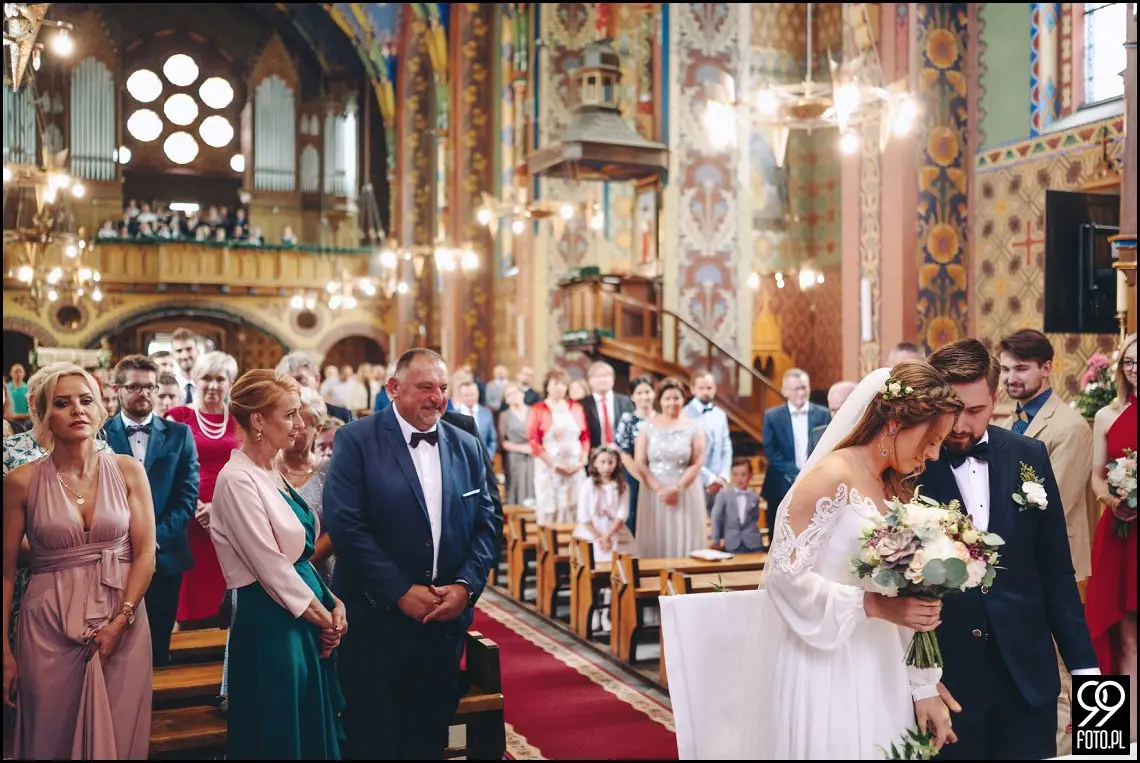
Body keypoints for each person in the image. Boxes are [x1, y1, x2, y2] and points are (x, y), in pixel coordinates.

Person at [661, 361, 963, 759]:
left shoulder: (895, 488)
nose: (934, 454)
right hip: (825, 659)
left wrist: (924, 686)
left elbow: (902, 591)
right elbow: (784, 578)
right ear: (895, 423)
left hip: (881, 660)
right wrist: (872, 604)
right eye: (931, 439)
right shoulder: (832, 475)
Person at [922, 339, 1099, 760]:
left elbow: (1056, 573)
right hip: (947, 687)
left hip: (1029, 681)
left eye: (975, 410)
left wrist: (1091, 682)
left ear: (995, 398)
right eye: (950, 410)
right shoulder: (913, 465)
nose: (960, 425)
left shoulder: (1029, 454)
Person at [324, 348, 500, 760]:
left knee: (427, 736)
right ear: (393, 388)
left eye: (442, 388)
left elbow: (487, 525)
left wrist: (465, 586)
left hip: (442, 626)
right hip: (375, 622)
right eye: (425, 387)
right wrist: (400, 591)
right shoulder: (357, 439)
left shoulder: (466, 444)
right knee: (371, 738)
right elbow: (347, 525)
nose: (437, 397)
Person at [3, 362, 156, 759]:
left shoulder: (128, 471)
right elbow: (4, 573)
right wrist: (3, 652)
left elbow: (145, 554)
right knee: (49, 735)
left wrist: (121, 620)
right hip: (46, 627)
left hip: (122, 621)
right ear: (42, 415)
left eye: (86, 400)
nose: (77, 410)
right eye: (63, 403)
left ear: (101, 408)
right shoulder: (20, 481)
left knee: (120, 735)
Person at [210, 370, 345, 759]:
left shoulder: (270, 472)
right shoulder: (236, 480)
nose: (300, 425)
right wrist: (326, 620)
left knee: (308, 726)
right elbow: (270, 567)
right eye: (289, 415)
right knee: (282, 731)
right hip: (273, 621)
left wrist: (334, 603)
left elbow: (299, 557)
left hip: (302, 613)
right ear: (257, 420)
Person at [997, 330, 1095, 755]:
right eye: (1004, 369)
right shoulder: (1006, 420)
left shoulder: (1069, 426)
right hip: (1019, 566)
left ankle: (1090, 750)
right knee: (1040, 668)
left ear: (1046, 368)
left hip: (1062, 565)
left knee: (1072, 666)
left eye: (1020, 368)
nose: (1010, 378)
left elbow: (1054, 502)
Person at [104, 355, 200, 667]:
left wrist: (152, 541)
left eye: (149, 387)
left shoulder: (179, 435)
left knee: (158, 646)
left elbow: (186, 496)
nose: (143, 393)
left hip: (166, 554)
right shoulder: (100, 436)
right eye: (134, 386)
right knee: (114, 646)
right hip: (113, 556)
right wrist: (124, 541)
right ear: (118, 389)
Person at [1085, 333, 1137, 744]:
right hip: (1118, 532)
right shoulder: (1106, 415)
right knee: (1120, 633)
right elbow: (1096, 476)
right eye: (1129, 362)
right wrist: (1112, 499)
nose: (1134, 369)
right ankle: (1113, 740)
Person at [165, 351, 240, 625]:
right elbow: (168, 472)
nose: (212, 385)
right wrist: (195, 505)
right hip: (191, 519)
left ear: (230, 383)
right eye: (206, 378)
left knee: (228, 596)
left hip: (232, 518)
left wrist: (218, 508)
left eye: (220, 378)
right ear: (195, 380)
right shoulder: (177, 417)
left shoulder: (240, 420)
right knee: (192, 598)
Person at [635, 377, 707, 558]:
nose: (672, 403)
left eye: (676, 398)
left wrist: (678, 488)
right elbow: (641, 463)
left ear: (683, 400)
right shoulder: (647, 426)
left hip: (685, 489)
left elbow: (697, 462)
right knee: (657, 536)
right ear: (660, 400)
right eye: (667, 398)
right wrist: (659, 489)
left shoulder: (694, 427)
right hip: (654, 490)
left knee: (685, 535)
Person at [761, 369, 831, 533]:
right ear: (785, 391)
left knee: (811, 531)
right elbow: (770, 450)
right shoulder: (772, 416)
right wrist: (795, 472)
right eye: (796, 389)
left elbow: (828, 446)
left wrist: (810, 472)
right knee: (777, 531)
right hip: (780, 483)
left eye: (804, 388)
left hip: (815, 482)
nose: (801, 392)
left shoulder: (824, 414)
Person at [528, 369, 589, 526]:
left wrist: (583, 459)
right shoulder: (538, 409)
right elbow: (534, 441)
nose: (560, 387)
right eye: (556, 383)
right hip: (549, 466)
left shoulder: (576, 407)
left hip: (575, 465)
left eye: (563, 384)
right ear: (547, 386)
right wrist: (555, 464)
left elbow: (584, 436)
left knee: (575, 507)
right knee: (551, 508)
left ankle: (574, 547)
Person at [573, 445, 635, 564]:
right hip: (592, 530)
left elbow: (622, 513)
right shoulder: (588, 485)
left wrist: (608, 535)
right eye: (603, 462)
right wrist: (599, 538)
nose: (607, 467)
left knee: (621, 561)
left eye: (611, 462)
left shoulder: (621, 485)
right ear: (595, 463)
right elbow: (584, 514)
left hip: (614, 529)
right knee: (591, 558)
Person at [682, 371, 733, 513]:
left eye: (709, 388)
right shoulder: (684, 414)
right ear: (692, 389)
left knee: (719, 529)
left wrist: (722, 476)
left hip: (719, 482)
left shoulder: (720, 414)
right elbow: (687, 452)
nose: (705, 392)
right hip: (695, 480)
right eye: (701, 388)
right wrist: (709, 479)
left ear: (715, 389)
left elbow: (726, 447)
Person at [614, 376, 656, 536]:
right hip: (634, 475)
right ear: (632, 396)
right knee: (634, 514)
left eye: (647, 391)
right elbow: (624, 453)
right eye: (639, 393)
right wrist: (641, 477)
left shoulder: (660, 419)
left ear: (654, 393)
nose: (644, 396)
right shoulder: (627, 420)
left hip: (658, 474)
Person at [277, 352, 355, 425]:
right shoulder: (276, 419)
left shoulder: (343, 417)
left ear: (317, 380)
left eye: (300, 380)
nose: (293, 388)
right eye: (286, 383)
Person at [710, 457, 765, 553]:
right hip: (733, 543)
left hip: (754, 543)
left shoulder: (754, 496)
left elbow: (755, 518)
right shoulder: (724, 495)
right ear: (731, 476)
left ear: (750, 475)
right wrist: (716, 540)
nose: (739, 478)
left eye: (743, 474)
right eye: (735, 475)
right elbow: (716, 517)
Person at [579, 361, 634, 450]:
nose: (603, 379)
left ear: (613, 379)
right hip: (593, 454)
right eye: (598, 376)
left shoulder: (625, 401)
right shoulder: (582, 404)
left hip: (622, 454)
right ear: (589, 381)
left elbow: (631, 429)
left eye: (606, 376)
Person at [499, 384, 535, 506]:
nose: (513, 396)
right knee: (516, 488)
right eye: (509, 395)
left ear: (522, 393)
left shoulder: (534, 411)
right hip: (515, 457)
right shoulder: (504, 416)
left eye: (515, 392)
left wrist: (532, 448)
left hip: (534, 455)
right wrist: (523, 448)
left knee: (533, 486)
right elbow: (502, 442)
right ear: (506, 399)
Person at [808, 380, 858, 454]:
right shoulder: (817, 436)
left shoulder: (872, 435)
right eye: (832, 410)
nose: (836, 415)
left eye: (839, 409)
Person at [454, 381, 497, 460]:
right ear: (460, 396)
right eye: (466, 395)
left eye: (473, 394)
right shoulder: (453, 416)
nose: (470, 398)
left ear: (478, 393)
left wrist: (487, 457)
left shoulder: (487, 413)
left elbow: (493, 440)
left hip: (484, 464)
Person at [170, 327, 200, 405]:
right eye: (179, 351)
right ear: (173, 354)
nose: (185, 356)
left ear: (197, 351)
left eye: (189, 349)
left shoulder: (209, 385)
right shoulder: (168, 387)